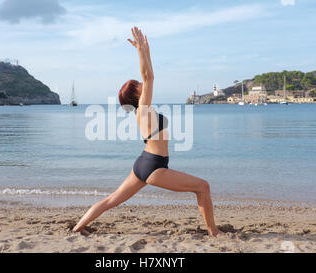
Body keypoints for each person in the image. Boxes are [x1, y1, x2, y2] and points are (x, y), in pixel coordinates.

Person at [73, 27, 223, 237]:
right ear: (136, 94)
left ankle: (77, 228)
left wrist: (147, 51)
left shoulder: (143, 111)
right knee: (202, 187)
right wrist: (140, 52)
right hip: (153, 167)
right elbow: (149, 75)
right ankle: (213, 231)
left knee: (112, 200)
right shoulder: (142, 110)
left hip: (145, 163)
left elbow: (149, 75)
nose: (143, 84)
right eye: (138, 85)